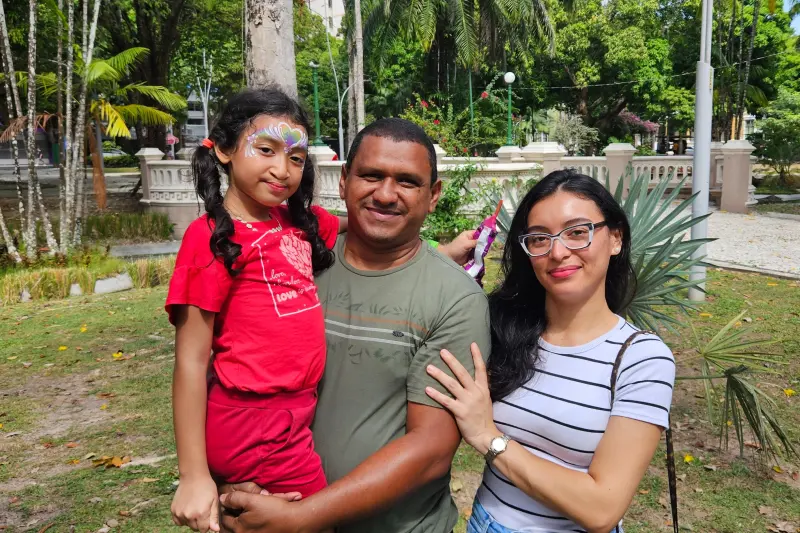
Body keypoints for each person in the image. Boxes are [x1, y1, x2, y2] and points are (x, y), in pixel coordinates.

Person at [217, 118, 492, 533]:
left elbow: (431, 449)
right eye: (371, 175)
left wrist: (304, 517)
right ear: (344, 181)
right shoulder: (292, 261)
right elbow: (224, 371)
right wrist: (229, 482)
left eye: (407, 181)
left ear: (433, 195)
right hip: (270, 508)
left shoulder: (455, 299)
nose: (385, 194)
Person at [425, 170, 676, 533]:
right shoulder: (505, 330)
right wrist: (447, 260)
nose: (557, 252)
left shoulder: (642, 360)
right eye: (539, 238)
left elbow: (601, 509)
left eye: (577, 232)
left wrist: (488, 437)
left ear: (615, 238)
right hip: (483, 523)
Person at [166, 87, 345, 533]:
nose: (282, 169)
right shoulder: (210, 238)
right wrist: (193, 476)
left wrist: (437, 249)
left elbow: (352, 226)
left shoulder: (294, 223)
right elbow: (191, 361)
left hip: (292, 414)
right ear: (225, 150)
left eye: (296, 158)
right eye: (266, 150)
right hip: (256, 425)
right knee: (312, 521)